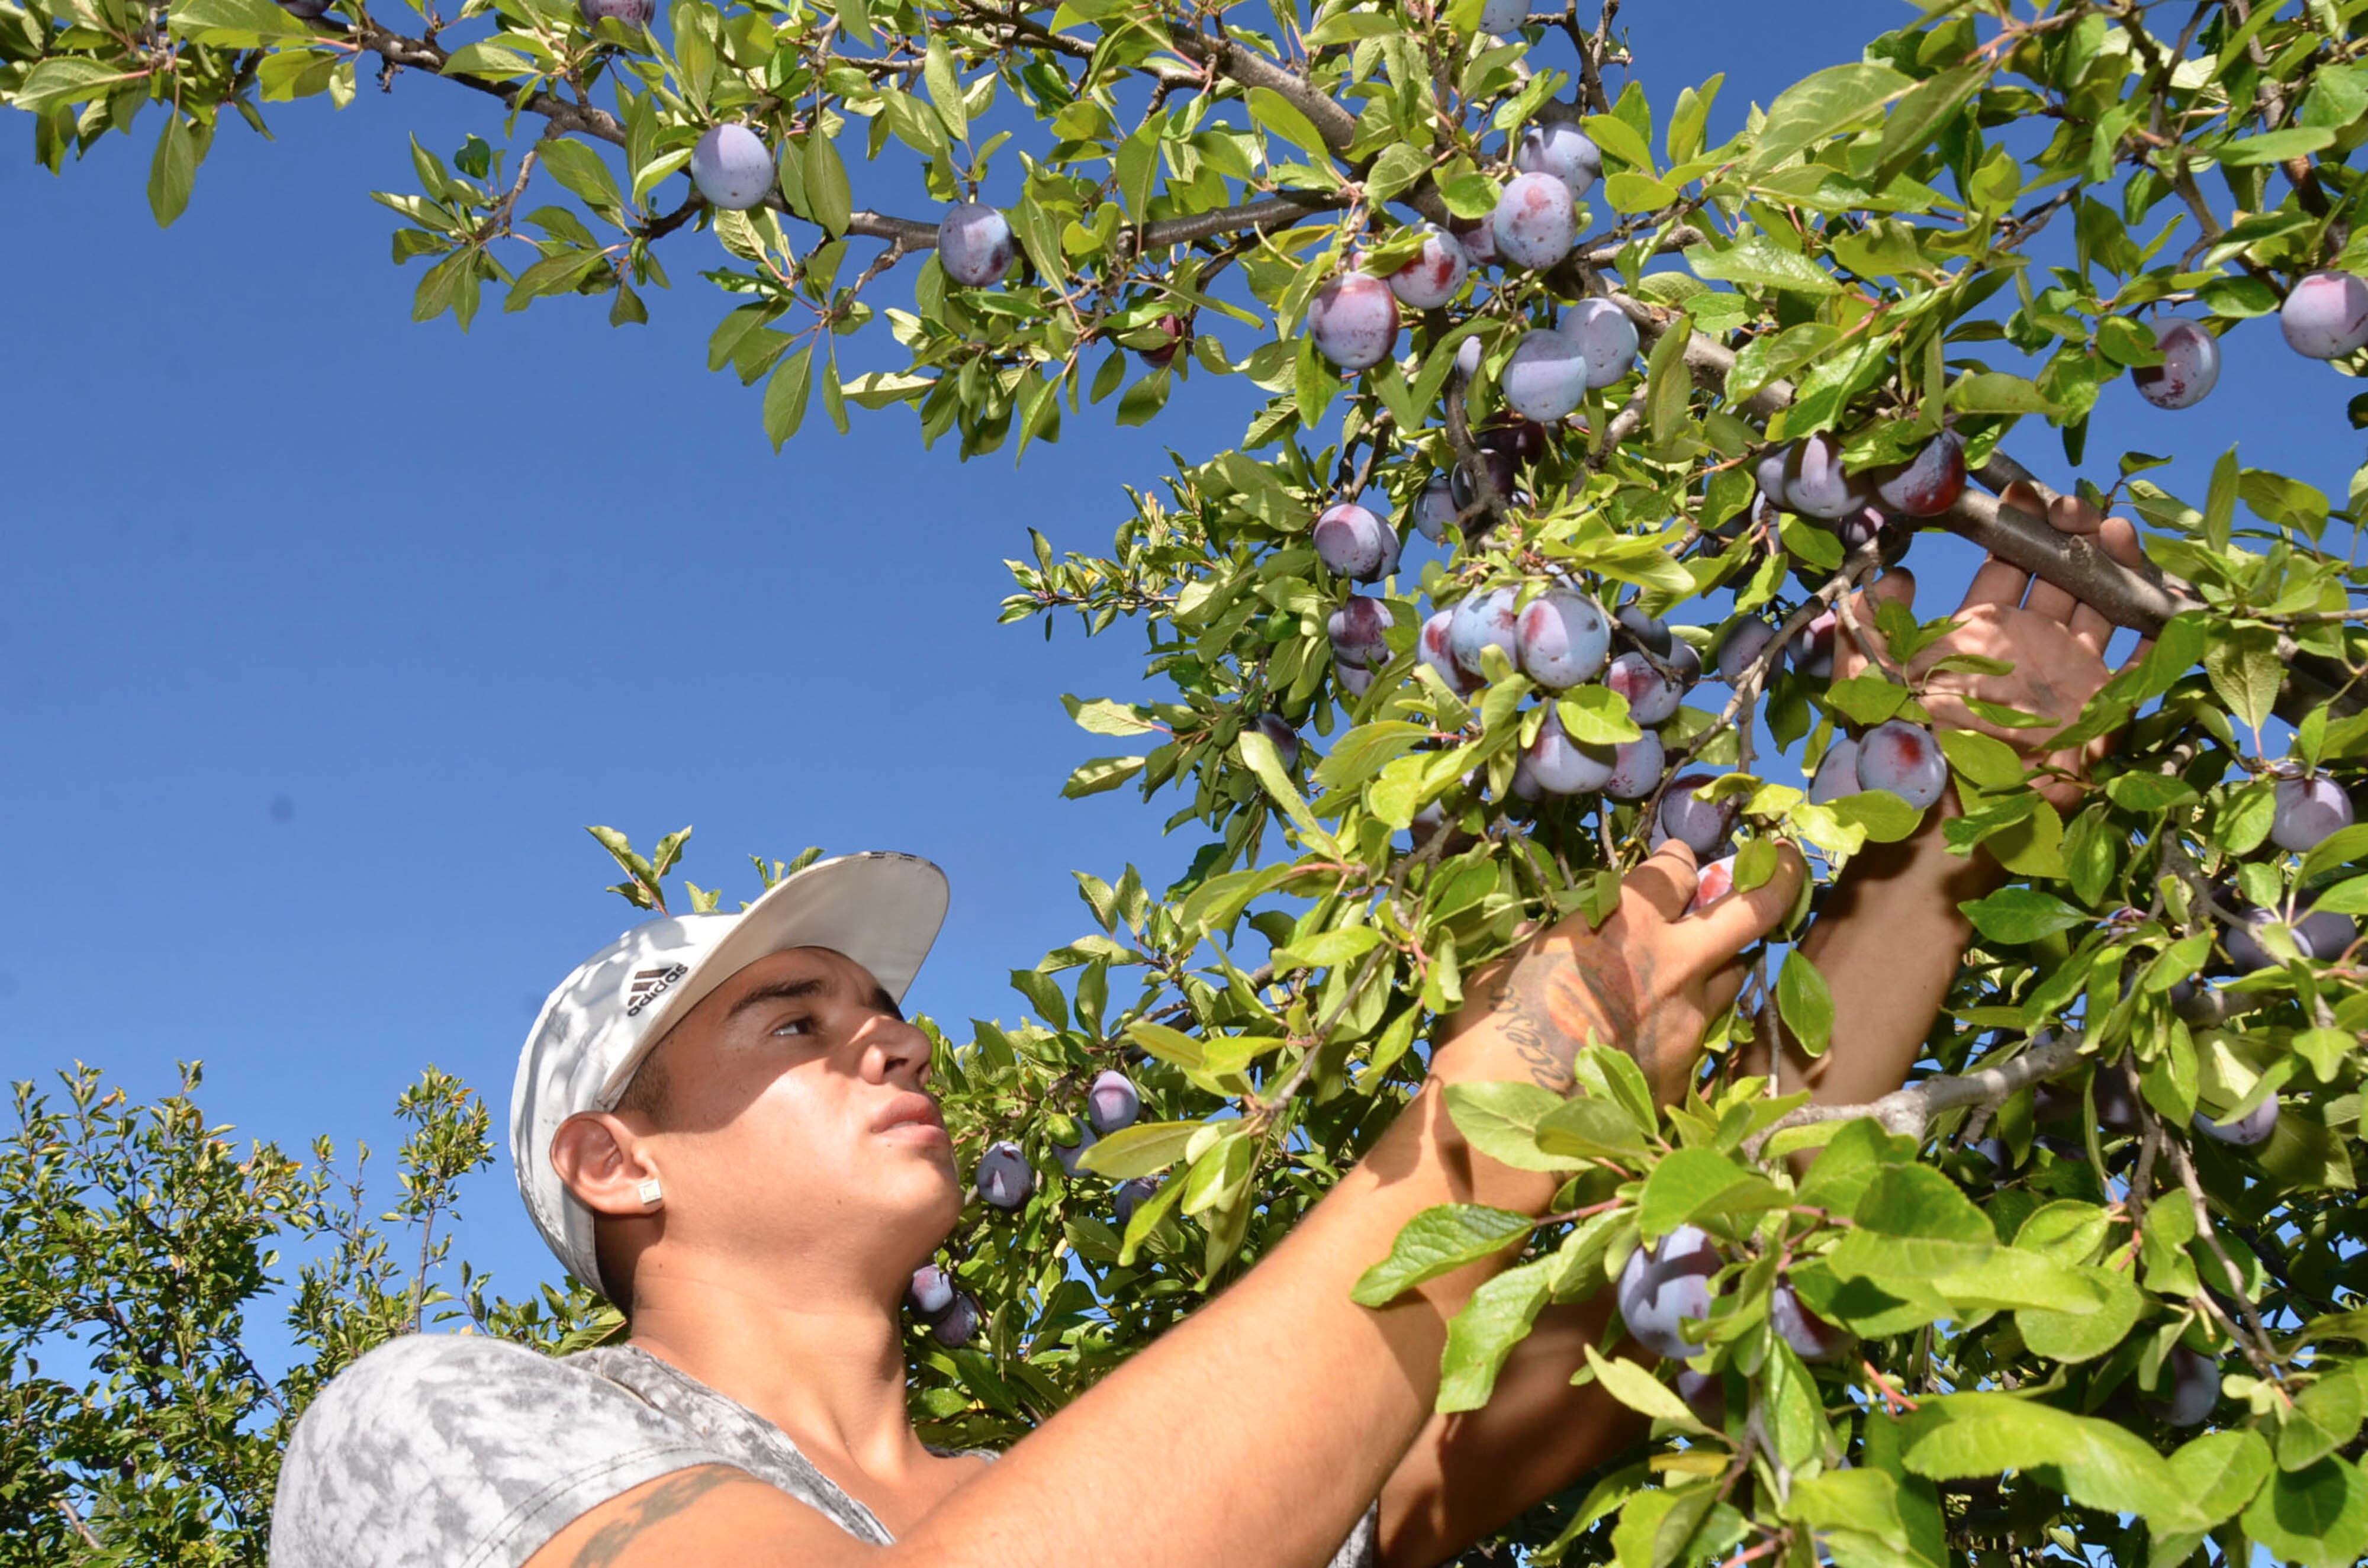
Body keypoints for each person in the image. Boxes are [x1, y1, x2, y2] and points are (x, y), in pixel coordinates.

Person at [268, 488, 2148, 1568]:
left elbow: (1717, 1258)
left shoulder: (1116, 1488)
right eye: (794, 1012)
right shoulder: (436, 1425)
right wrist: (1485, 1115)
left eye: (892, 1010)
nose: (895, 1041)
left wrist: (1950, 835)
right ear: (612, 1155)